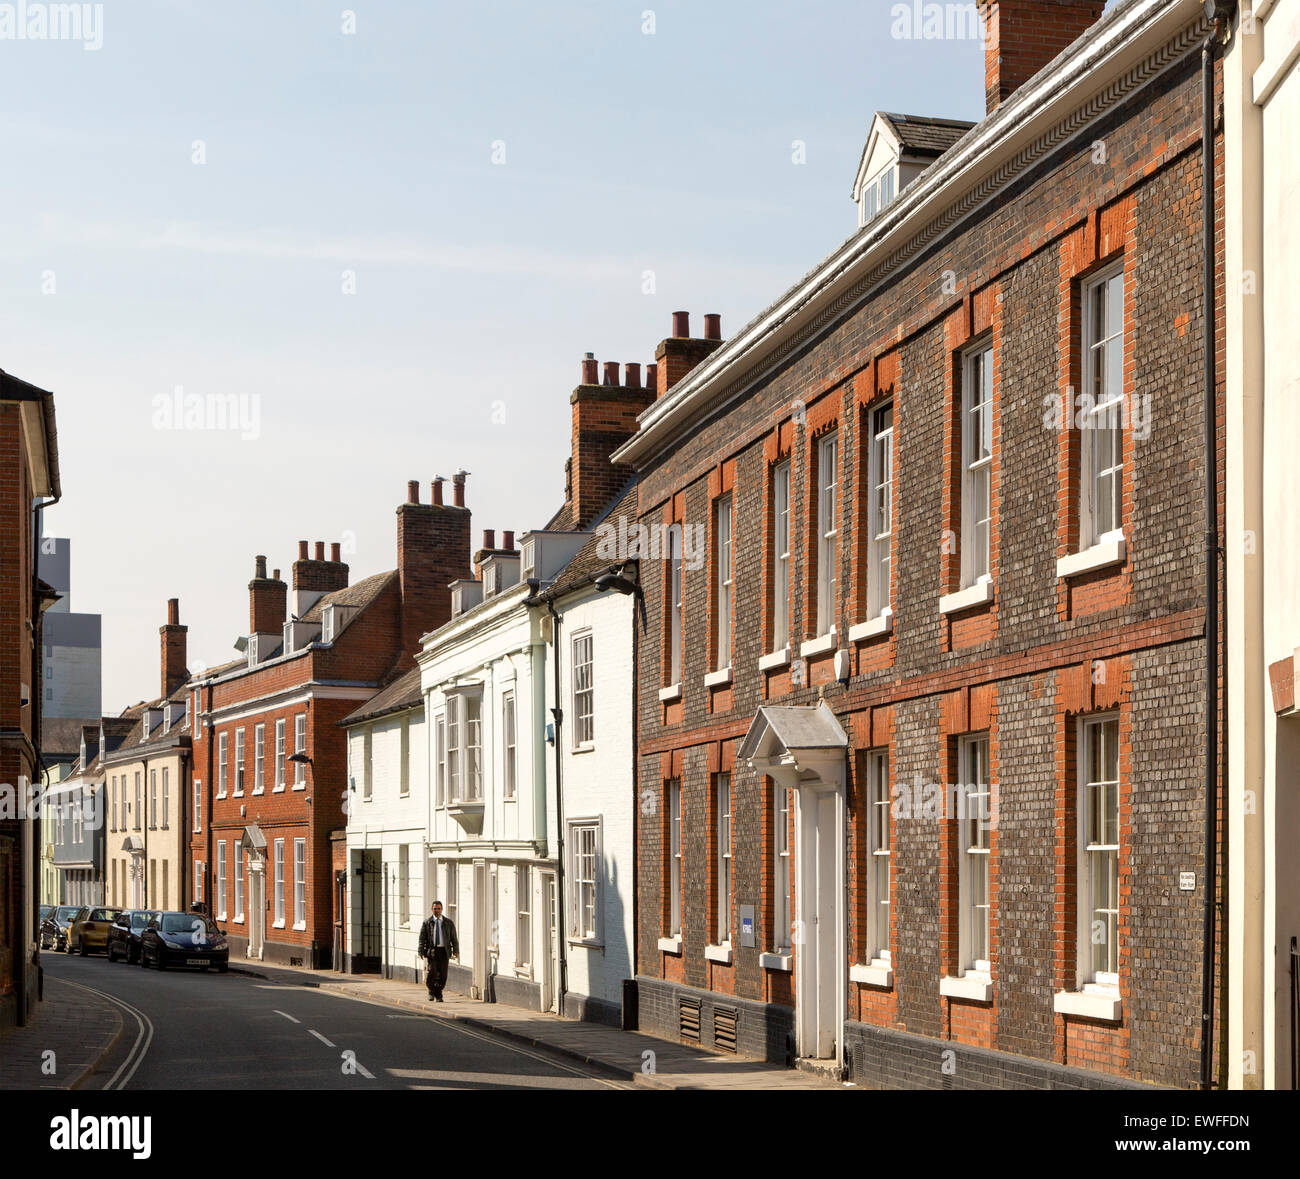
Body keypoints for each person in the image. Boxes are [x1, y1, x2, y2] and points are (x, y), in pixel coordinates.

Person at [417, 900, 458, 1001]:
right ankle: (431, 990)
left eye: (439, 909)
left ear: (442, 909)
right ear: (432, 910)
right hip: (432, 951)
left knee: (443, 974)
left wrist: (456, 950)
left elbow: (454, 938)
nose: (437, 911)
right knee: (433, 972)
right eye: (435, 909)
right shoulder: (427, 922)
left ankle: (439, 993)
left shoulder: (448, 923)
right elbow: (422, 938)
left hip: (444, 951)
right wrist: (421, 951)